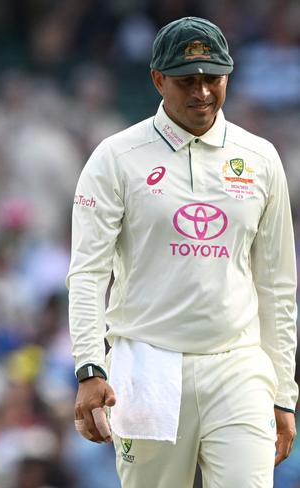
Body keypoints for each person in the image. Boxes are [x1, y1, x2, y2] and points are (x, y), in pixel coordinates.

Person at [67, 16, 297, 487]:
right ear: (157, 79)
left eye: (213, 78)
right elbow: (88, 274)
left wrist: (284, 392)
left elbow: (277, 285)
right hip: (149, 363)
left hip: (238, 364)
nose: (203, 93)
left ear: (228, 76)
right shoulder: (117, 157)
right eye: (187, 81)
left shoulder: (260, 158)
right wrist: (90, 367)